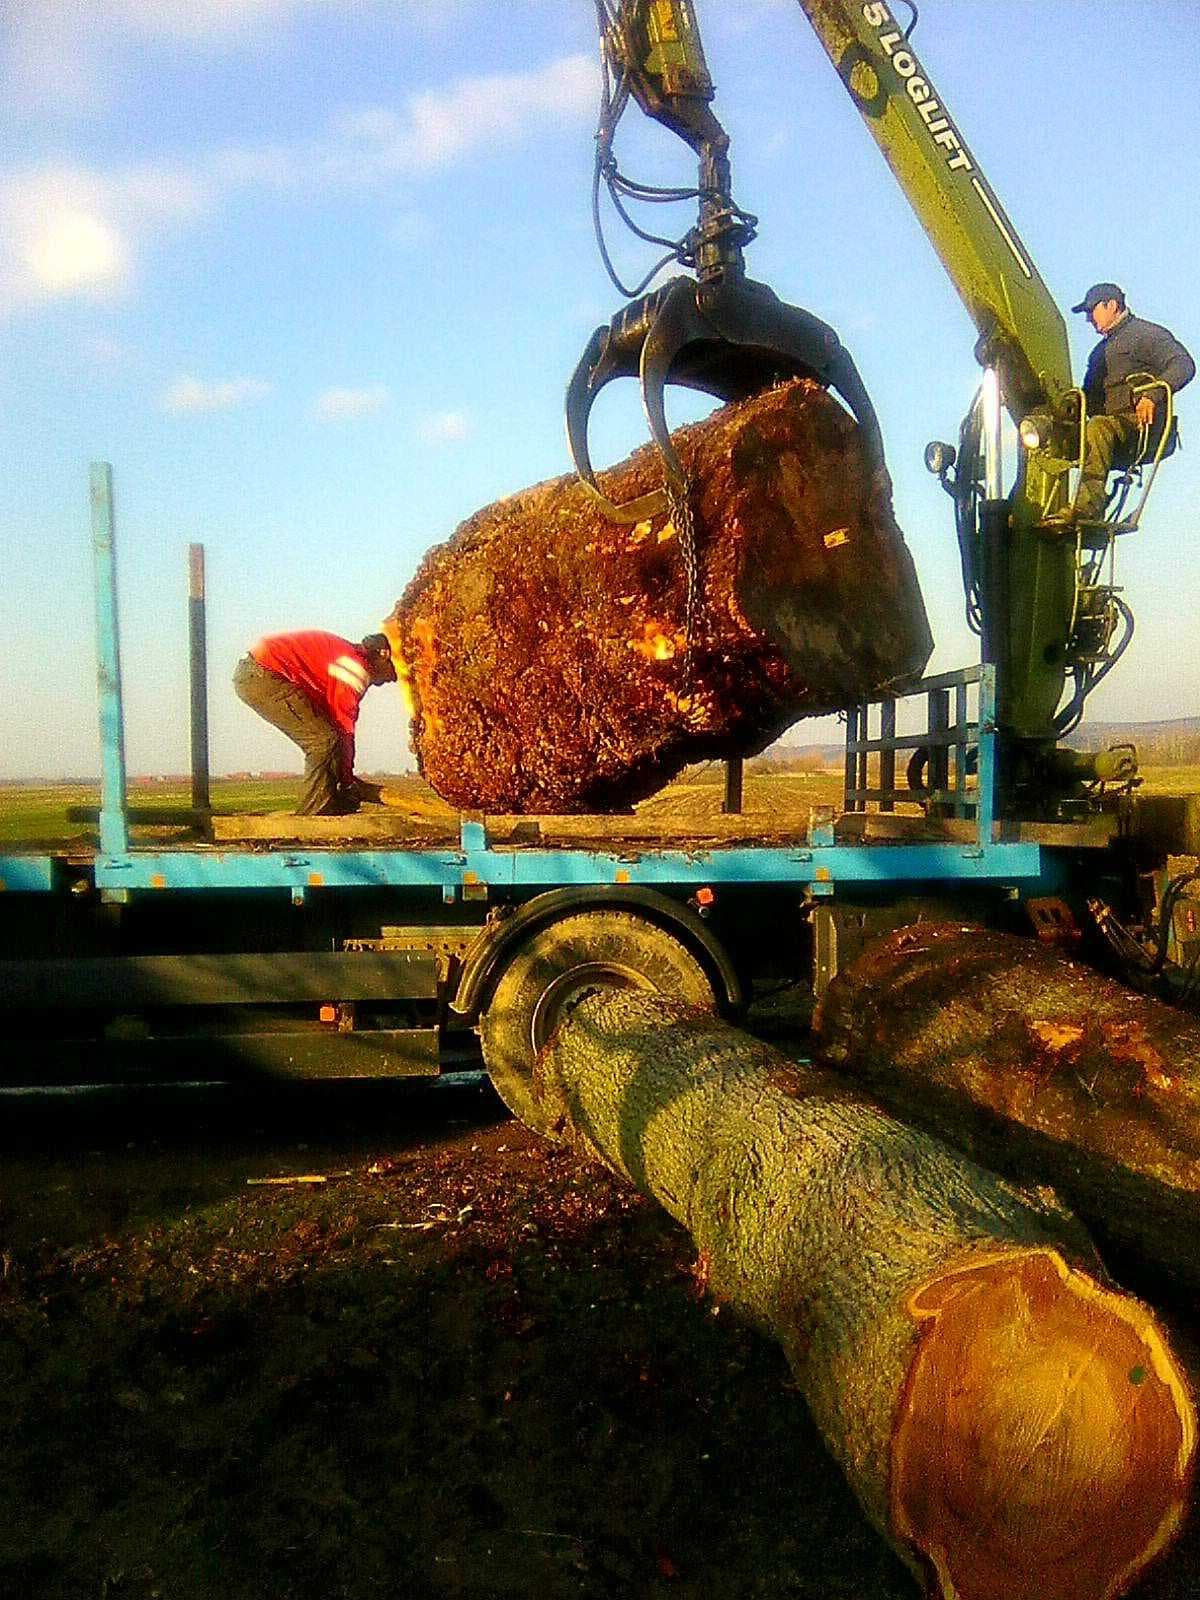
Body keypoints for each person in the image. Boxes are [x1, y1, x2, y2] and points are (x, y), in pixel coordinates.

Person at [1062, 282, 1194, 523]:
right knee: (1057, 437)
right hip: (1112, 425)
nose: (1088, 319)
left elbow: (1183, 365)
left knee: (1098, 427)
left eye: (1091, 311)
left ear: (1111, 305)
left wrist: (1151, 396)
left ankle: (1087, 507)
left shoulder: (1146, 335)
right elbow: (1090, 396)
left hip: (1140, 426)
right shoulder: (1099, 352)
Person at [233, 629, 396, 815]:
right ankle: (316, 813)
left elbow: (336, 723)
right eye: (394, 671)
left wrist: (343, 776)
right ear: (384, 656)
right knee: (322, 741)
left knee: (328, 737)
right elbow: (345, 727)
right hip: (264, 675)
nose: (393, 679)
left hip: (258, 670)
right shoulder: (355, 668)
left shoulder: (346, 656)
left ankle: (331, 802)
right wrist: (348, 780)